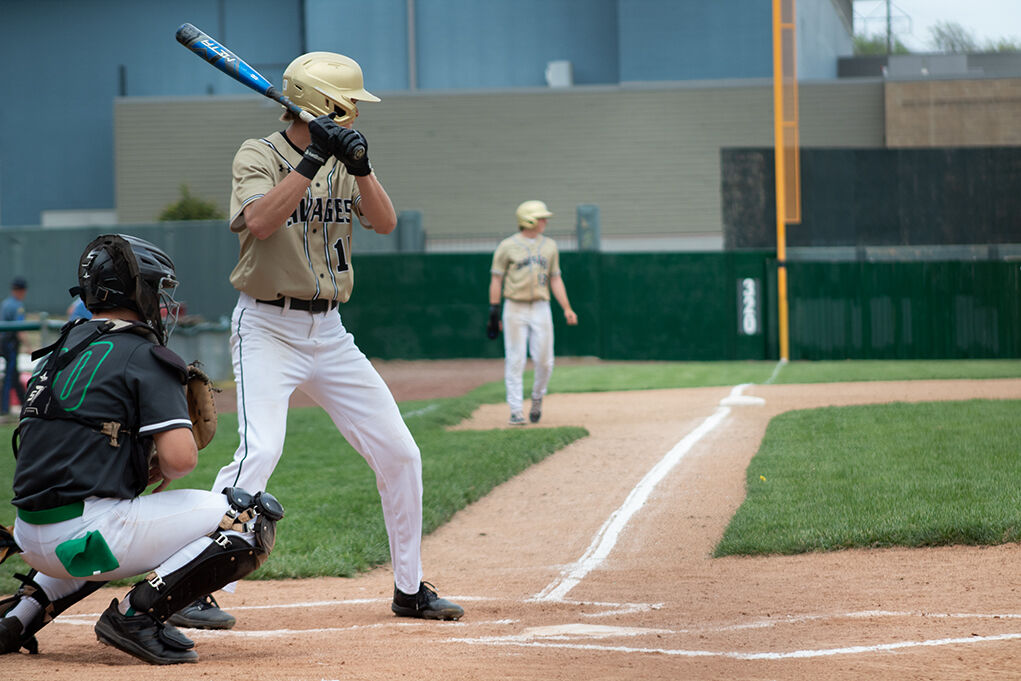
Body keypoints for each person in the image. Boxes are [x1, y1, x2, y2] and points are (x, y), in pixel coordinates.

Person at [169, 51, 462, 630]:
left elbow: (383, 222)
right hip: (267, 326)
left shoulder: (344, 157)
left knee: (401, 454)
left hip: (329, 330)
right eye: (350, 106)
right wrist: (312, 158)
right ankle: (188, 582)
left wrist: (360, 166)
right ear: (325, 103)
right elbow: (259, 222)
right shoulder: (260, 153)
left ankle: (409, 589)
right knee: (260, 453)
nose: (358, 115)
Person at [0, 234, 283, 664]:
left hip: (29, 535)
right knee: (247, 518)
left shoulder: (60, 349)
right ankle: (135, 616)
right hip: (85, 539)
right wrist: (160, 455)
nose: (161, 302)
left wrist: (132, 460)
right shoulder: (145, 353)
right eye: (156, 289)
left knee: (107, 520)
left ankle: (19, 615)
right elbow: (181, 460)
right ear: (135, 291)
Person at [488, 201, 578, 425]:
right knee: (515, 359)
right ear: (527, 219)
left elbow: (555, 278)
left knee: (545, 361)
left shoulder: (550, 246)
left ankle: (537, 397)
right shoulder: (507, 246)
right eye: (540, 217)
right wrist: (494, 311)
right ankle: (516, 410)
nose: (545, 221)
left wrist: (566, 307)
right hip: (514, 307)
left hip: (540, 307)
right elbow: (496, 279)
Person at [1, 277, 28, 421]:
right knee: (9, 375)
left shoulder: (5, 303)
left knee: (14, 374)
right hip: (10, 343)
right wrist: (29, 347)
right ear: (22, 291)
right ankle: (4, 408)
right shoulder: (18, 305)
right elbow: (20, 330)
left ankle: (24, 403)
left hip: (2, 341)